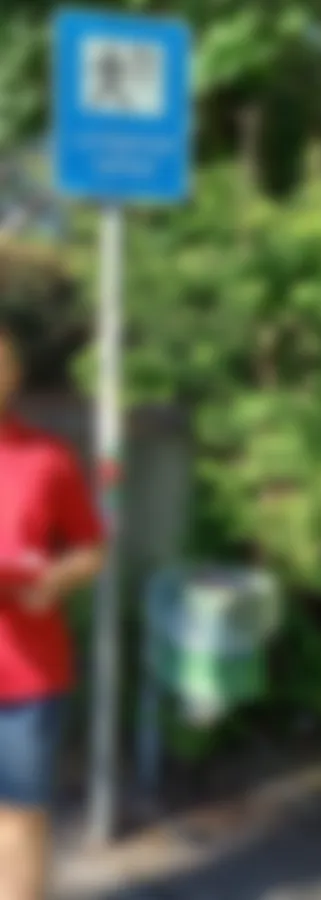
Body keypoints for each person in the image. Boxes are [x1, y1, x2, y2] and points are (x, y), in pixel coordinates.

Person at [0, 323, 106, 900]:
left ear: (12, 376)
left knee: (20, 817)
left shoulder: (47, 459)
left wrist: (55, 580)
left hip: (27, 676)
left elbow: (91, 547)